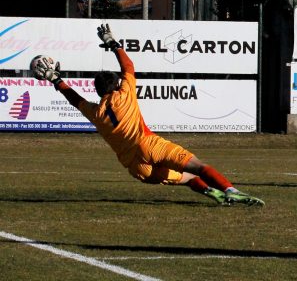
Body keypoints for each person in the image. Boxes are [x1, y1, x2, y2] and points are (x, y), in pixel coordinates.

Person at [32, 23, 264, 207]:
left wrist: (56, 79)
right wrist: (113, 44)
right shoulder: (124, 93)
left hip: (136, 168)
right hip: (149, 145)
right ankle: (232, 191)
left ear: (99, 91)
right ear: (116, 84)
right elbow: (129, 66)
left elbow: (76, 100)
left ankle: (213, 194)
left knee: (187, 178)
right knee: (199, 167)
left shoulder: (96, 113)